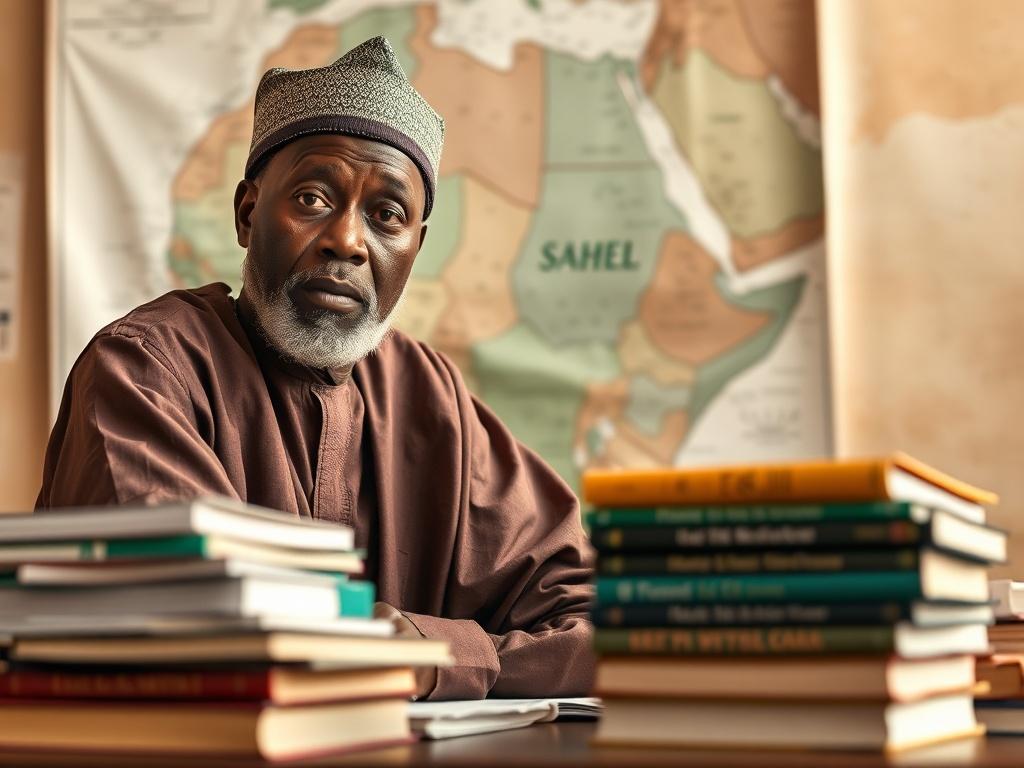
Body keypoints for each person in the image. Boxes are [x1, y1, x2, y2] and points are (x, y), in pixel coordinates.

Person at [36, 36, 594, 700]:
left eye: (387, 215)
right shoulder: (147, 366)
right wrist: (448, 657)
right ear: (248, 214)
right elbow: (201, 627)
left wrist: (424, 655)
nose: (347, 241)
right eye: (311, 199)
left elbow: (597, 629)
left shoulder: (430, 394)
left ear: (415, 247)